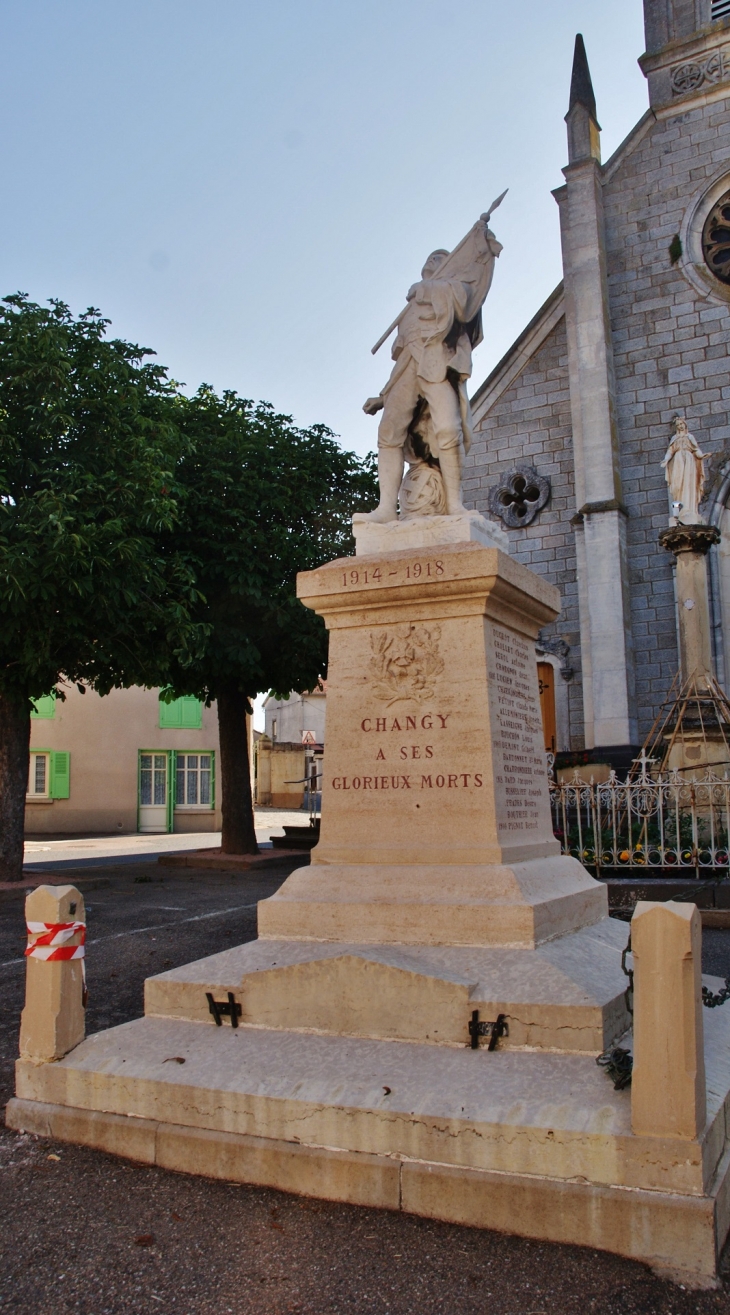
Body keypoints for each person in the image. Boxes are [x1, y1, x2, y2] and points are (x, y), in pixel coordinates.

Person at [362, 219, 502, 522]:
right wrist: (382, 397)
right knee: (388, 432)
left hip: (437, 367)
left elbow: (464, 306)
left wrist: (427, 289)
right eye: (431, 257)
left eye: (441, 257)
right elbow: (402, 358)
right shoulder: (409, 310)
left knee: (449, 428)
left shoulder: (451, 289)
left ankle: (454, 505)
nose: (433, 259)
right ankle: (387, 508)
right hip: (408, 371)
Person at [661, 416, 708, 523]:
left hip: (689, 461)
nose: (680, 426)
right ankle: (680, 509)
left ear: (685, 424)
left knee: (688, 483)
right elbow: (670, 451)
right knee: (678, 485)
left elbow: (696, 450)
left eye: (681, 424)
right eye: (678, 425)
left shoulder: (690, 437)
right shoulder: (674, 439)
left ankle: (688, 508)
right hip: (677, 461)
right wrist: (666, 460)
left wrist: (701, 455)